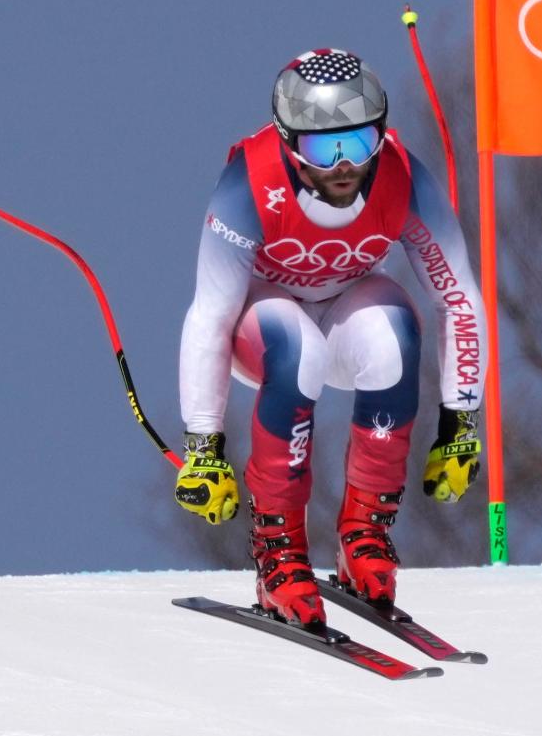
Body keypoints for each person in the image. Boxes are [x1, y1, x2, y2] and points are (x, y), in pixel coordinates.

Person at [175, 47, 486, 628]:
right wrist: (203, 446)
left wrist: (460, 422)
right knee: (297, 351)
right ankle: (279, 555)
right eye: (323, 148)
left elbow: (459, 297)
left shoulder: (403, 179)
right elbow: (209, 316)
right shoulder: (249, 184)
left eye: (360, 143)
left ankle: (364, 538)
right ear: (291, 143)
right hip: (261, 324)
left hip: (345, 305)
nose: (344, 165)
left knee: (395, 333)